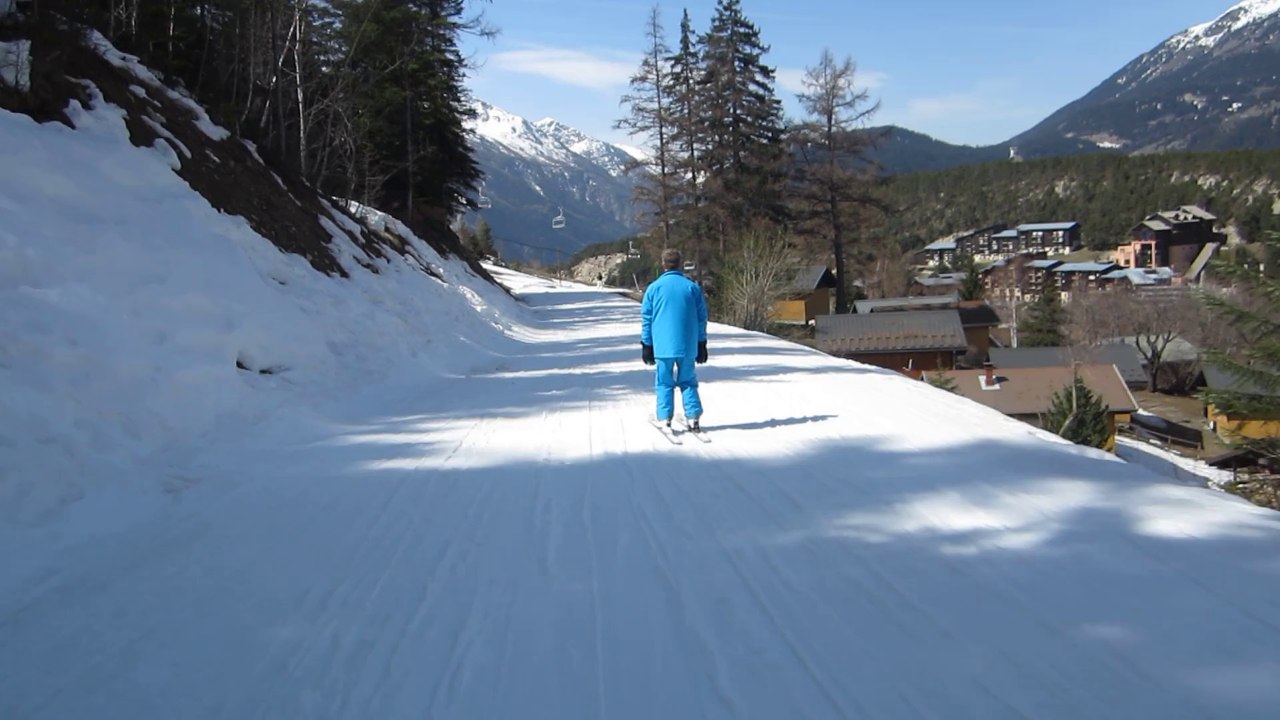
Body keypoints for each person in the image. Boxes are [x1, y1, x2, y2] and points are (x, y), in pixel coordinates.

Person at [640, 248, 708, 430]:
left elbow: (647, 319)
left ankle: (665, 417)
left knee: (664, 382)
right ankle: (693, 416)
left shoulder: (653, 288)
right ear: (680, 264)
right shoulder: (692, 287)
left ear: (663, 265)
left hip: (662, 346)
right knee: (688, 381)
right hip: (688, 344)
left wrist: (647, 344)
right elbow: (702, 318)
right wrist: (702, 342)